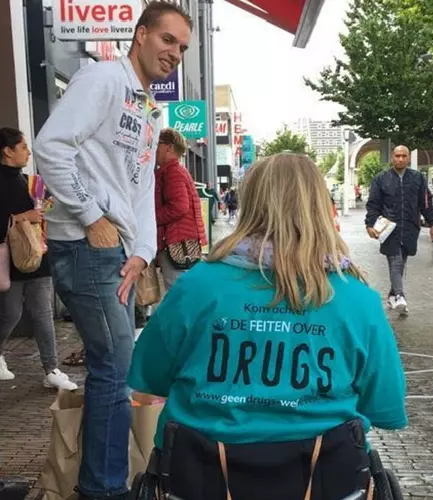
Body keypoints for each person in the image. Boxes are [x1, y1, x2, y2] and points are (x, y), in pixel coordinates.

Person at [127, 153, 407, 498]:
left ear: (250, 204)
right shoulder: (357, 298)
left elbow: (150, 376)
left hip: (201, 476)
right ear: (320, 206)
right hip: (324, 479)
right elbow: (385, 407)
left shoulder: (197, 286)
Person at [33, 3, 193, 498]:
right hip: (86, 246)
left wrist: (143, 250)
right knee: (114, 367)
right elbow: (50, 146)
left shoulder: (145, 107)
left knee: (117, 369)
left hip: (117, 254)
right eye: (168, 40)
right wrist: (91, 216)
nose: (175, 54)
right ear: (140, 34)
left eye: (183, 48)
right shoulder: (102, 79)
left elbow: (140, 189)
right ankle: (102, 489)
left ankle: (102, 483)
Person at [0, 128, 77, 390]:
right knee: (11, 313)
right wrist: (23, 217)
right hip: (11, 258)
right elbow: (17, 217)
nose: (28, 151)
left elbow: (39, 213)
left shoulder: (29, 181)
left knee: (43, 313)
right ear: (7, 151)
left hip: (37, 254)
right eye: (22, 147)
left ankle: (51, 369)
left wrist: (46, 207)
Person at [365, 145, 433, 314]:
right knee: (395, 260)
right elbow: (374, 204)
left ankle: (392, 295)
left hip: (410, 228)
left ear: (408, 158)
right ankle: (399, 295)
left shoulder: (418, 178)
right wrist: (369, 224)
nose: (400, 159)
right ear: (392, 157)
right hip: (389, 229)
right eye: (397, 156)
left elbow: (426, 203)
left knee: (401, 262)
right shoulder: (380, 179)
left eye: (403, 156)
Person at [155, 128, 208, 291]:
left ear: (169, 147)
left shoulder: (172, 172)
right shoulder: (176, 170)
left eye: (158, 144)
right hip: (181, 242)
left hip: (175, 244)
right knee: (184, 290)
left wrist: (151, 219)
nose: (154, 148)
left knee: (177, 292)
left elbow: (179, 206)